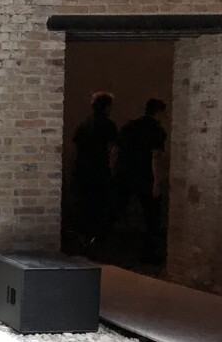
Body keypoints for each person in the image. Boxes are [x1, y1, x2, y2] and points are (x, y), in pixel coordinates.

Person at [113, 98, 167, 262]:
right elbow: (155, 156)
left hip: (125, 174)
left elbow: (115, 150)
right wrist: (157, 181)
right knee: (152, 216)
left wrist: (114, 170)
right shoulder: (156, 130)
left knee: (116, 209)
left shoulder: (129, 126)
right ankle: (149, 253)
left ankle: (98, 243)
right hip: (145, 176)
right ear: (158, 112)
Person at [71, 91, 118, 243]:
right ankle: (97, 238)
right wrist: (112, 168)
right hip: (100, 170)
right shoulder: (109, 125)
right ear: (106, 107)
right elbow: (113, 149)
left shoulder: (84, 124)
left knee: (85, 204)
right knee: (99, 206)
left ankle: (85, 237)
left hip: (82, 170)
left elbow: (75, 148)